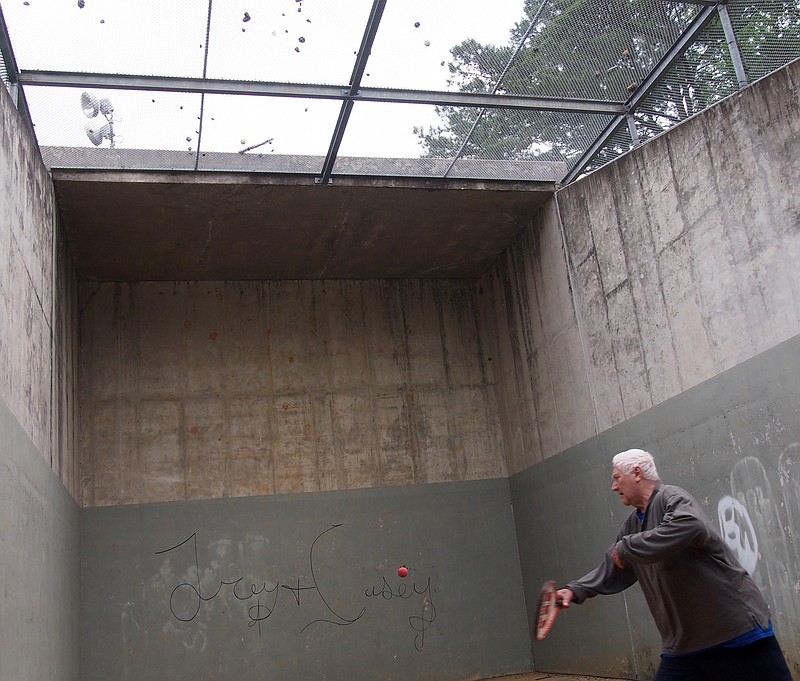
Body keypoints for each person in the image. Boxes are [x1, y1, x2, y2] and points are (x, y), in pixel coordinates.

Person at [556, 448, 793, 681]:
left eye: (617, 478)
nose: (614, 487)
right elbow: (614, 568)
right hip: (683, 648)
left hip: (735, 636)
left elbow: (690, 526)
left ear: (637, 473)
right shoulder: (632, 526)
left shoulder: (673, 498)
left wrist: (626, 548)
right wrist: (574, 590)